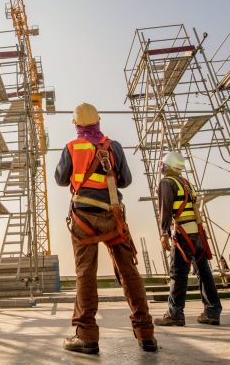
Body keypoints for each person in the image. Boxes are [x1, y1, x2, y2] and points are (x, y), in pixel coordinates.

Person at [55, 103, 156, 354]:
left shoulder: (72, 147)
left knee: (85, 273)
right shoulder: (114, 146)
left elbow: (60, 179)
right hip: (113, 215)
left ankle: (86, 336)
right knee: (128, 271)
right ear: (98, 122)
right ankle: (146, 335)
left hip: (83, 218)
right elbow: (127, 180)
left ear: (77, 125)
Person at [154, 151, 222, 326]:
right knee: (204, 272)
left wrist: (164, 234)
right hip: (197, 233)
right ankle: (212, 311)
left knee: (178, 273)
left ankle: (175, 314)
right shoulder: (186, 183)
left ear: (167, 166)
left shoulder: (167, 183)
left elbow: (165, 210)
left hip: (183, 233)